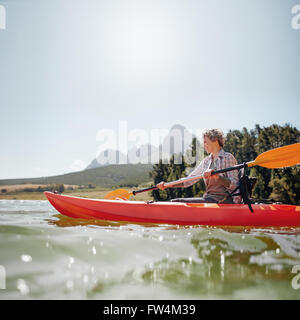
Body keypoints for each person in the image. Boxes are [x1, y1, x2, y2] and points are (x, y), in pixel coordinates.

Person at [157, 128, 240, 204]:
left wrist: (217, 177)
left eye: (205, 142)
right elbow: (188, 180)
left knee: (177, 202)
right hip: (209, 199)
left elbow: (235, 184)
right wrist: (167, 185)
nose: (204, 145)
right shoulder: (206, 162)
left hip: (224, 201)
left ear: (215, 140)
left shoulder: (228, 157)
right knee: (175, 202)